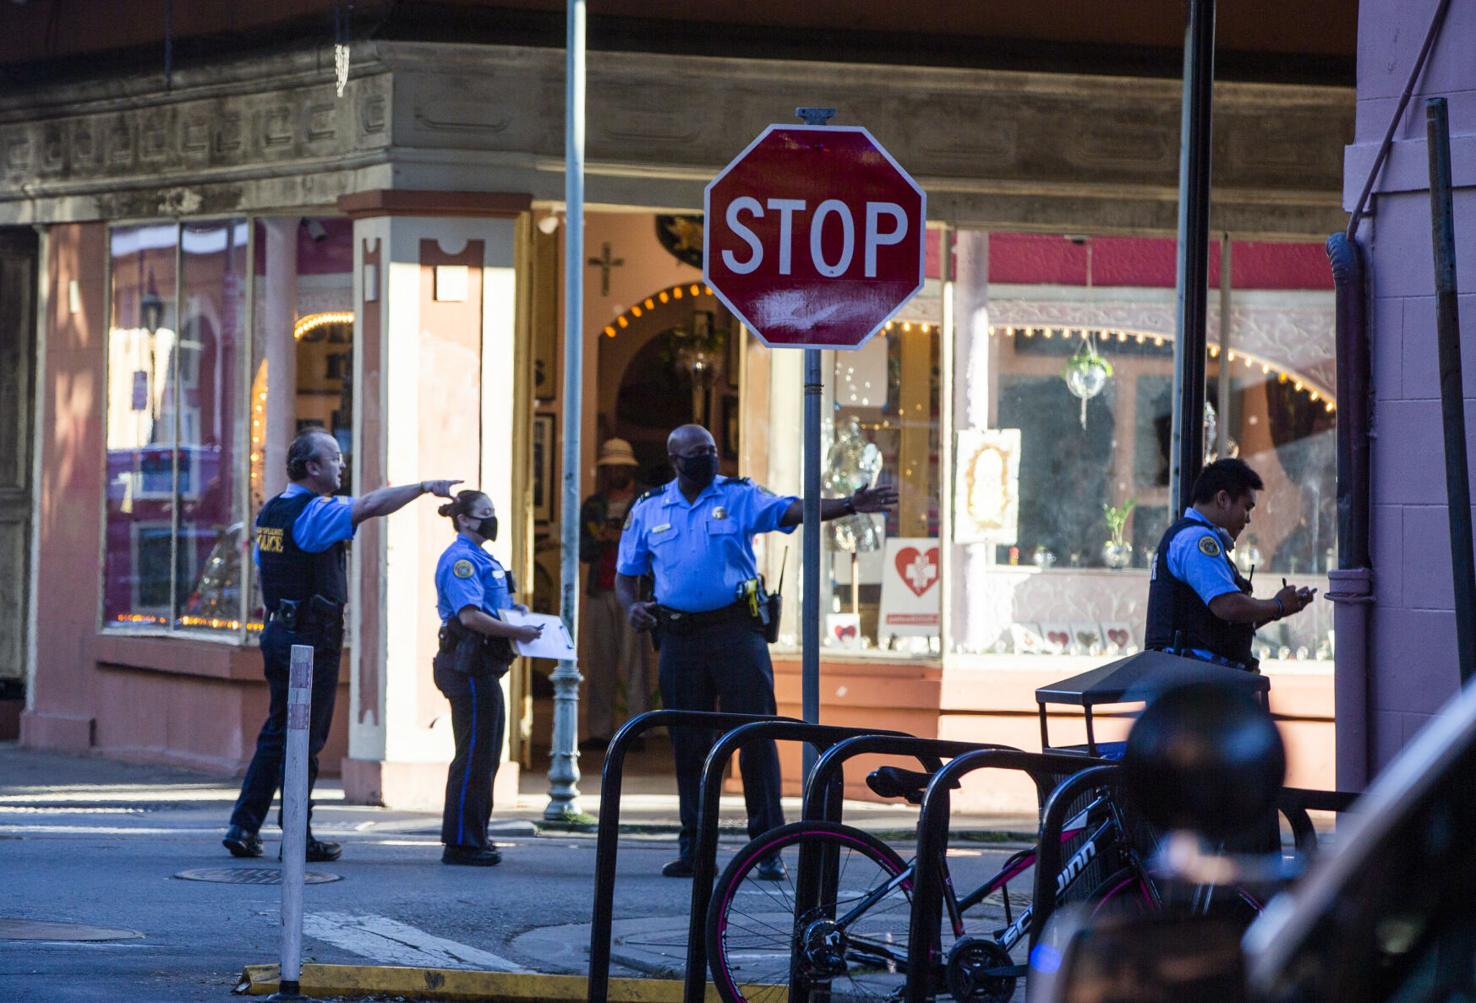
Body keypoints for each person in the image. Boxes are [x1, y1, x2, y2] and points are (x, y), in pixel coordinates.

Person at [615, 423, 897, 878]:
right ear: (674, 461)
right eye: (696, 452)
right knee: (689, 744)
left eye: (711, 449)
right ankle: (695, 848)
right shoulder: (649, 509)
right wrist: (631, 608)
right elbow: (626, 574)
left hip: (735, 632)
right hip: (679, 637)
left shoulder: (738, 495)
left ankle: (767, 848)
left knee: (756, 739)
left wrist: (847, 505)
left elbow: (792, 509)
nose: (707, 457)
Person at [224, 428, 460, 861]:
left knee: (278, 732)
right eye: (334, 458)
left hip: (279, 631)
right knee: (306, 739)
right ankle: (297, 833)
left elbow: (264, 573)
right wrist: (425, 487)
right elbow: (370, 506)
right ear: (312, 467)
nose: (341, 464)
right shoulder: (315, 513)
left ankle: (244, 825)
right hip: (308, 640)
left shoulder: (271, 511)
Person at [432, 490, 544, 866]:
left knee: (486, 754)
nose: (491, 519)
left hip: (482, 665)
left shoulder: (482, 557)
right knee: (475, 754)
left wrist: (515, 614)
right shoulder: (461, 559)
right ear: (464, 519)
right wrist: (517, 632)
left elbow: (490, 607)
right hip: (468, 664)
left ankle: (475, 834)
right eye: (485, 513)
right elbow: (470, 617)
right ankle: (462, 842)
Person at [1145, 458, 1317, 673]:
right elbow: (1228, 606)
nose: (1248, 520)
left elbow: (1225, 625)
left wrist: (1279, 609)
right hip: (1191, 685)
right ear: (1223, 499)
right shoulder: (1197, 540)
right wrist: (1277, 605)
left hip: (1193, 681)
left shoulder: (1193, 537)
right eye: (1247, 507)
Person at [579, 438, 649, 750]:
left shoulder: (647, 500)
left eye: (621, 466)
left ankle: (638, 730)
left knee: (636, 663)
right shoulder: (593, 505)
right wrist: (603, 539)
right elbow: (582, 549)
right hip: (600, 588)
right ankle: (599, 731)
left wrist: (622, 537)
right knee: (601, 662)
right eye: (611, 467)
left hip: (635, 589)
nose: (616, 471)